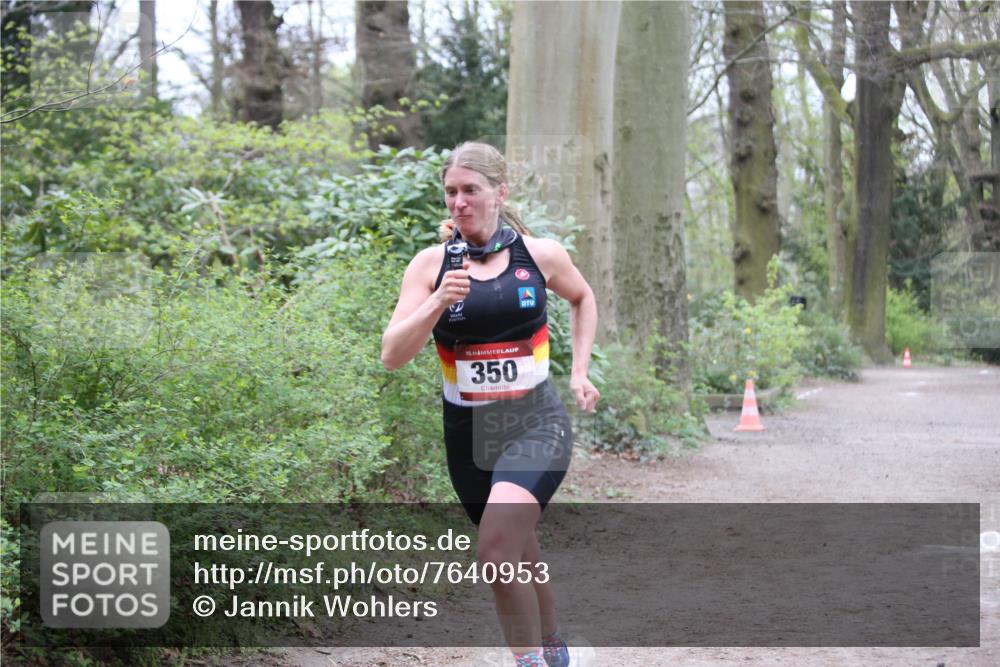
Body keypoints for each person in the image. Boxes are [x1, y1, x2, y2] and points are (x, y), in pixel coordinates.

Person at [381, 141, 600, 667]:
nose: (459, 202)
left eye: (470, 191)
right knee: (517, 552)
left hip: (534, 421)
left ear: (499, 193)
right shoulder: (431, 266)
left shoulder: (539, 254)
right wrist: (437, 301)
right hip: (469, 434)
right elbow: (393, 355)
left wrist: (579, 371)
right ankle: (552, 649)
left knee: (496, 554)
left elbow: (582, 297)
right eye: (451, 192)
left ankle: (528, 662)